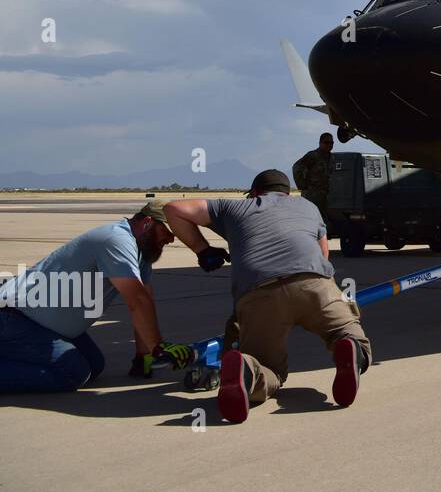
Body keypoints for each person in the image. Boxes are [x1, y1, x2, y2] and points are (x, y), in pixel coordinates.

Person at [164, 169, 372, 423]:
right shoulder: (308, 207)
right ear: (287, 192)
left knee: (269, 368)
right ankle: (347, 349)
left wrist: (203, 249)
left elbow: (173, 209)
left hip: (259, 293)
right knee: (350, 336)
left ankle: (247, 373)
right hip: (316, 285)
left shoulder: (233, 208)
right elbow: (324, 255)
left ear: (254, 193)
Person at [0, 203, 195, 392]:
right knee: (74, 373)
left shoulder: (141, 253)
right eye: (168, 232)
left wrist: (143, 355)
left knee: (95, 365)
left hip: (46, 325)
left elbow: (145, 300)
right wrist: (158, 346)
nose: (171, 239)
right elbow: (136, 300)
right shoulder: (115, 240)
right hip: (15, 317)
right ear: (147, 223)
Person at [292, 132, 334, 220]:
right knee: (310, 219)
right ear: (320, 143)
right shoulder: (313, 156)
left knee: (323, 221)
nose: (329, 145)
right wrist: (302, 185)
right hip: (312, 195)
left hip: (325, 196)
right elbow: (297, 168)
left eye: (331, 143)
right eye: (326, 142)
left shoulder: (332, 158)